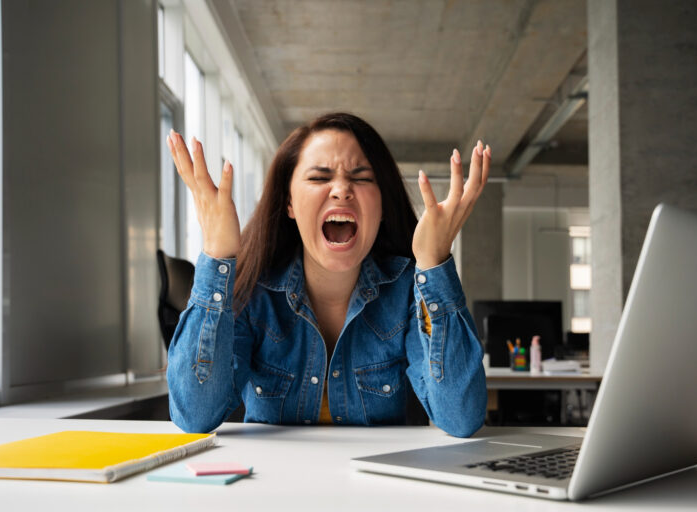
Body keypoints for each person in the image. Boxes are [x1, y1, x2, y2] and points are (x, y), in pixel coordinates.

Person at [165, 112, 491, 438]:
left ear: (382, 206)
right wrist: (216, 255)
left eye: (362, 178)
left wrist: (434, 263)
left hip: (379, 484)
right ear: (289, 202)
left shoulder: (407, 291)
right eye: (320, 178)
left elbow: (460, 416)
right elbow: (195, 415)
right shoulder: (255, 290)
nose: (341, 190)